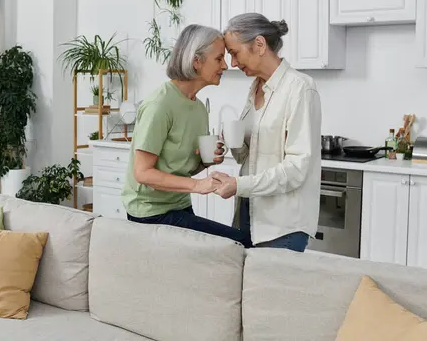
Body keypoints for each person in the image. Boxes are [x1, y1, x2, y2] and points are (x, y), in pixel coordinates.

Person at [121, 24, 250, 247]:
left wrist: (205, 161)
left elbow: (181, 169)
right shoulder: (159, 105)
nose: (226, 65)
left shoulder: (198, 108)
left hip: (179, 205)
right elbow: (142, 173)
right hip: (150, 214)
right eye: (219, 59)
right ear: (196, 61)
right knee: (238, 244)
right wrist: (198, 185)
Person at [212, 13, 321, 253]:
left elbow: (296, 170)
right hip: (248, 213)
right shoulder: (255, 88)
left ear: (259, 45)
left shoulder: (300, 88)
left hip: (282, 225)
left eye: (234, 52)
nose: (232, 63)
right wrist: (232, 140)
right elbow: (247, 157)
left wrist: (238, 185)